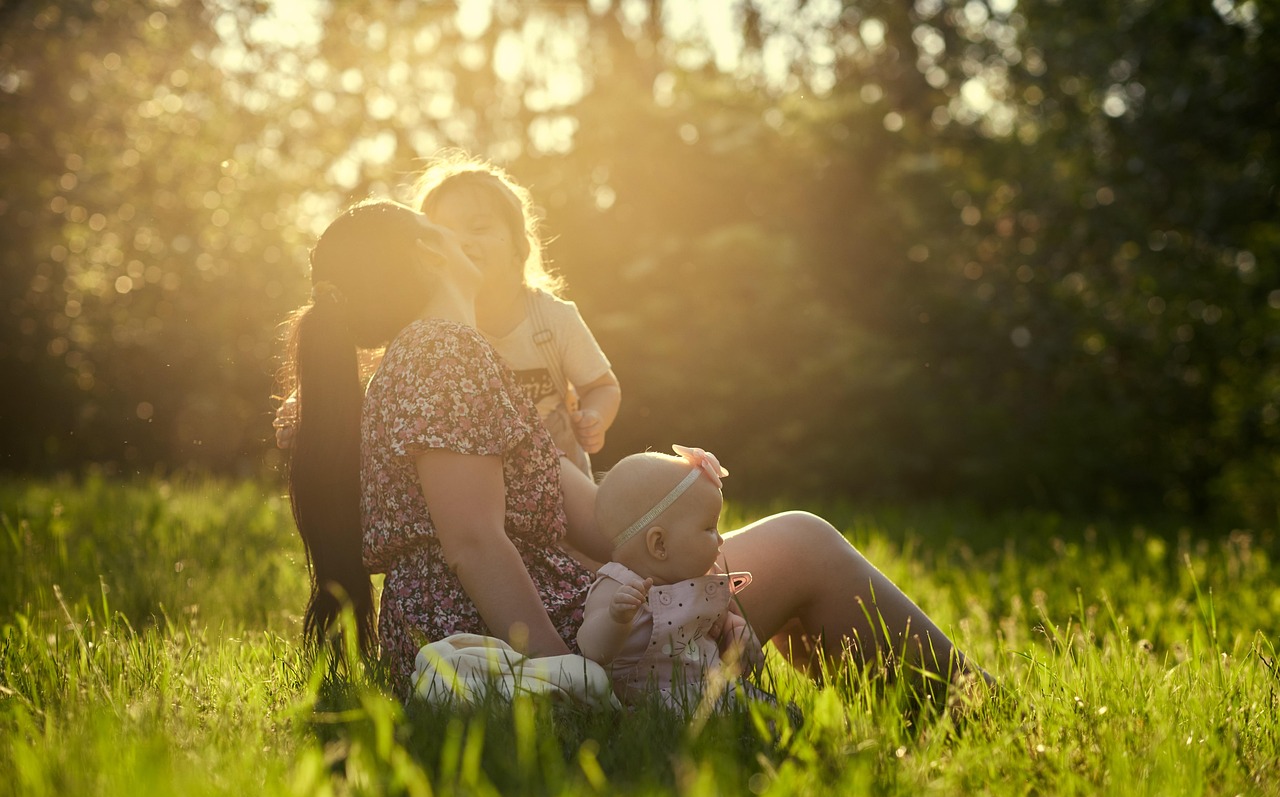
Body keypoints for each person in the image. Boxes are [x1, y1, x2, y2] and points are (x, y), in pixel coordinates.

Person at [284, 199, 991, 703]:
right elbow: (473, 541)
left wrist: (683, 498)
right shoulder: (442, 351)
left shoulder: (443, 361)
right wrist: (572, 680)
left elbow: (606, 525)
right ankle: (981, 714)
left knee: (779, 555)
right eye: (440, 221)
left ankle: (923, 708)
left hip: (524, 616)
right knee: (806, 541)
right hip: (517, 638)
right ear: (428, 252)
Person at [278, 152, 621, 479]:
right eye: (446, 230)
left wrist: (595, 417)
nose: (463, 241)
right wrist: (306, 401)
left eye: (479, 228)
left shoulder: (552, 319)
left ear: (520, 246)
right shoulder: (433, 326)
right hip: (480, 484)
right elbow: (367, 363)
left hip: (563, 486)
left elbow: (602, 386)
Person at [577, 446, 766, 709]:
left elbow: (723, 619)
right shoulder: (617, 586)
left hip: (712, 691)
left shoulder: (702, 579)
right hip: (651, 703)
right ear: (660, 544)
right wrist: (614, 618)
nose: (721, 539)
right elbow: (591, 649)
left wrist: (738, 630)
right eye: (710, 527)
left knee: (771, 716)